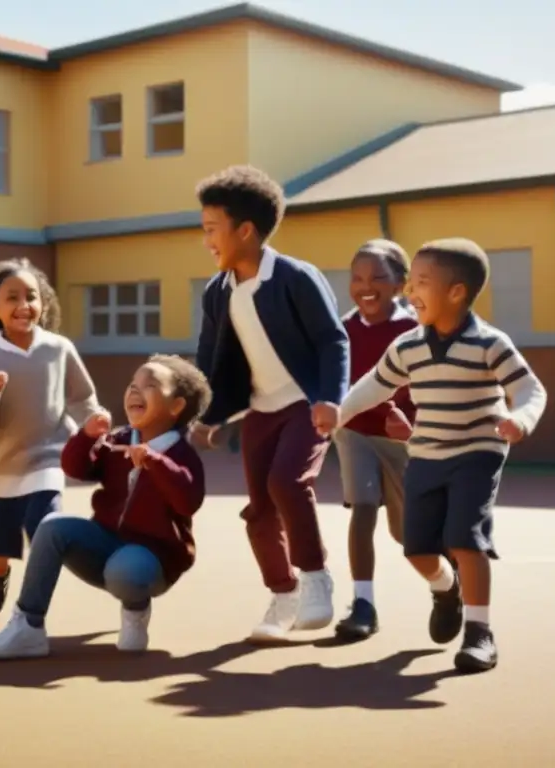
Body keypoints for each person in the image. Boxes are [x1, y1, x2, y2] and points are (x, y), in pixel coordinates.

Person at [316, 237, 547, 673]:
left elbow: (529, 388)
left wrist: (522, 418)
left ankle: (479, 632)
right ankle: (446, 590)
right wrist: (340, 412)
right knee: (417, 549)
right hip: (425, 453)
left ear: (456, 292)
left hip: (477, 452)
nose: (409, 292)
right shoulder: (408, 346)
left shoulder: (490, 343)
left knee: (465, 539)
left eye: (420, 282)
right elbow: (374, 385)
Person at [191, 164, 350, 642]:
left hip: (305, 402)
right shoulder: (218, 293)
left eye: (211, 230)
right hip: (261, 409)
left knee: (287, 481)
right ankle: (283, 596)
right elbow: (208, 362)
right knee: (260, 510)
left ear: (245, 231)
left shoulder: (295, 277)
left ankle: (316, 578)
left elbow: (332, 341)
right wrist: (206, 416)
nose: (207, 241)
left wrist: (328, 398)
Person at [0, 354, 211, 659]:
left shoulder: (181, 455)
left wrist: (155, 463)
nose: (134, 391)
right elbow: (77, 469)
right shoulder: (119, 439)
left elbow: (187, 501)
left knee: (125, 569)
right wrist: (87, 437)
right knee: (52, 527)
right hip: (105, 546)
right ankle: (28, 626)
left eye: (150, 385)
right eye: (132, 384)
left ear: (176, 406)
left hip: (151, 562)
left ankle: (135, 609)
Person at [0, 258, 108, 619]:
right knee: (1, 543)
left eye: (31, 296)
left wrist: (93, 423)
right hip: (3, 467)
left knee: (45, 528)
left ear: (43, 306)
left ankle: (30, 610)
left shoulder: (59, 349)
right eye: (12, 297)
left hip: (50, 459)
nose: (23, 305)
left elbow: (81, 397)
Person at [333, 239, 419, 641]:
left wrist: (415, 427)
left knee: (406, 534)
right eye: (357, 278)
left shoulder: (414, 329)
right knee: (362, 509)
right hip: (355, 431)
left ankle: (448, 582)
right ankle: (363, 604)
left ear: (401, 284)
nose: (366, 286)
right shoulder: (342, 330)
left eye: (378, 278)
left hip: (403, 438)